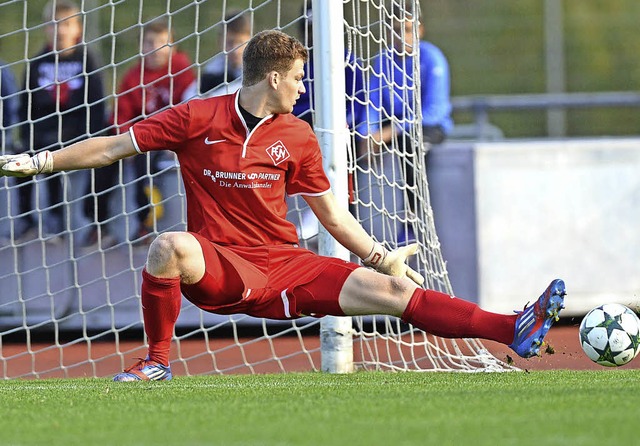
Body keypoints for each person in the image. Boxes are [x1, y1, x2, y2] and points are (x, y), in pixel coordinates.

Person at [0, 30, 566, 382]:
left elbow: (333, 217)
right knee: (168, 245)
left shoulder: (297, 134)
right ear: (272, 77)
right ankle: (156, 360)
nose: (303, 86)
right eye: (297, 78)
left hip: (286, 263)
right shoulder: (198, 116)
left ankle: (512, 327)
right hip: (221, 265)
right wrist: (42, 162)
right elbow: (116, 145)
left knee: (392, 293)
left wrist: (379, 255)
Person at [16, 0, 106, 241]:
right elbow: (26, 104)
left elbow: (97, 102)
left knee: (72, 156)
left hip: (76, 129)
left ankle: (93, 222)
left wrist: (95, 135)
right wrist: (26, 135)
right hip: (44, 130)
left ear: (78, 28)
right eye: (54, 25)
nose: (60, 30)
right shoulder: (37, 63)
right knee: (19, 156)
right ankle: (27, 220)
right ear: (46, 28)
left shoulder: (86, 60)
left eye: (66, 24)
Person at [359, 4, 453, 217]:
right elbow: (372, 102)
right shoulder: (383, 59)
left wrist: (392, 131)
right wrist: (367, 133)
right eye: (395, 30)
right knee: (350, 145)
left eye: (407, 30)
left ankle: (414, 221)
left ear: (420, 31)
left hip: (426, 127)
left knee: (411, 145)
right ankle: (347, 224)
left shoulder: (432, 58)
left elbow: (434, 111)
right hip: (391, 125)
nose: (401, 36)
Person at [114, 17, 195, 242]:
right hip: (144, 136)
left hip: (172, 134)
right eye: (149, 42)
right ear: (141, 47)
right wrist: (124, 138)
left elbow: (190, 105)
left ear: (173, 46)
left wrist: (181, 139)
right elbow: (121, 112)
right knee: (140, 161)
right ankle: (144, 222)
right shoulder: (133, 76)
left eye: (162, 42)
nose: (156, 48)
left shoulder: (182, 69)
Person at [183, 9, 251, 100]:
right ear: (220, 42)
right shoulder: (216, 64)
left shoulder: (256, 67)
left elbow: (246, 90)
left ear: (251, 41)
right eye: (230, 43)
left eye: (241, 43)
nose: (235, 49)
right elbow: (188, 95)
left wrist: (209, 98)